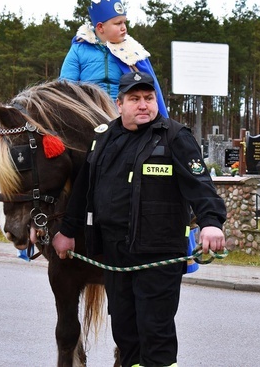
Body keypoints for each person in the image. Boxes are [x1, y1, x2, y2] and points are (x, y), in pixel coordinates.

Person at [52, 71, 227, 367]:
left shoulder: (175, 137)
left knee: (155, 336)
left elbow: (201, 186)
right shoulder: (104, 139)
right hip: (115, 256)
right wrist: (67, 230)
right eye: (135, 99)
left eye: (149, 98)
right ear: (120, 104)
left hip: (157, 257)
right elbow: (84, 192)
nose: (144, 104)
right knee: (126, 337)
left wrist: (212, 222)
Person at [60, 0, 169, 117]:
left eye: (124, 23)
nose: (124, 28)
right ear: (100, 27)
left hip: (122, 113)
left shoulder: (131, 52)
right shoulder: (78, 50)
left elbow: (144, 88)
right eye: (118, 24)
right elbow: (66, 85)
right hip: (89, 111)